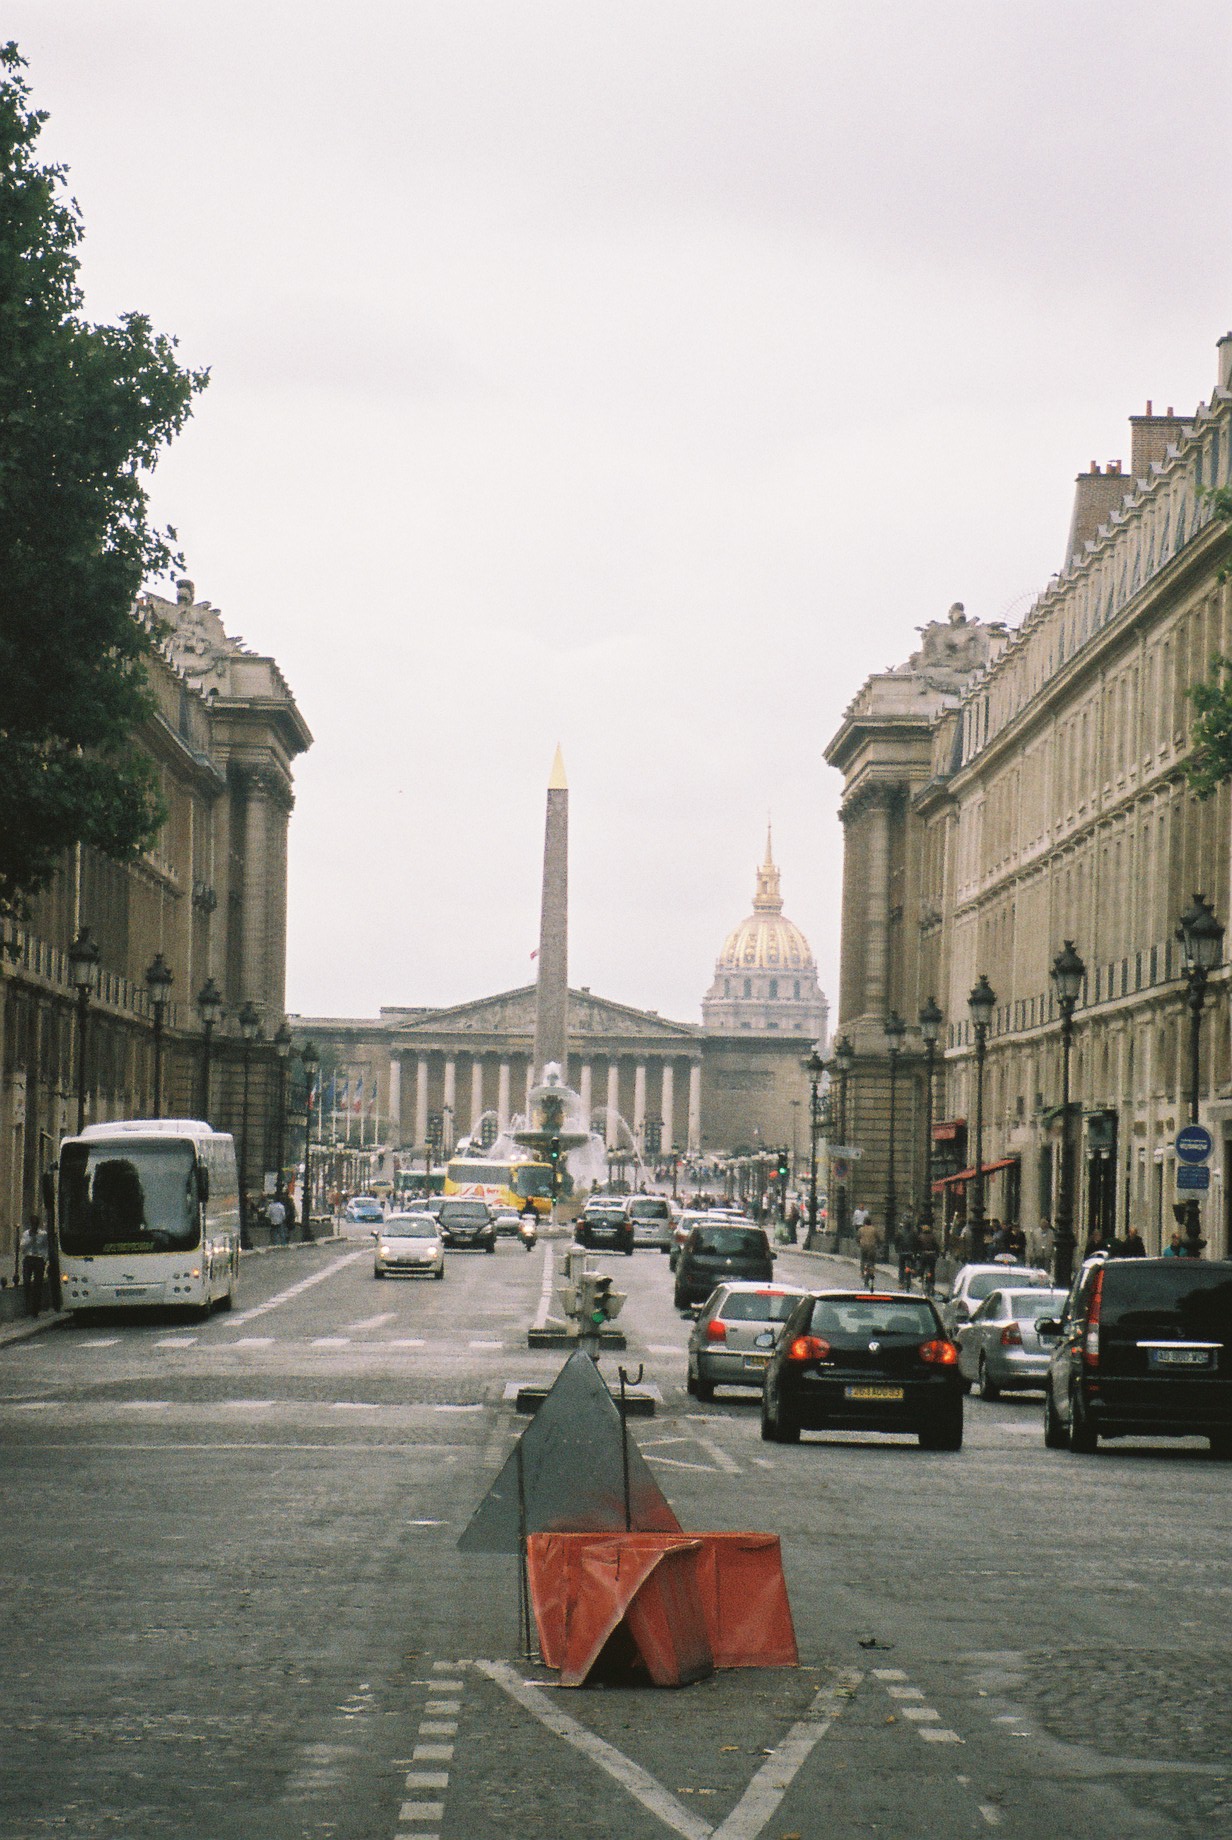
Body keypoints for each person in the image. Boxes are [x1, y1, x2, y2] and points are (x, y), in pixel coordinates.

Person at [20, 1213, 48, 1316]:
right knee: (27, 1282)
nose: (34, 1226)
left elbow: (46, 1247)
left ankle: (36, 1308)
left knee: (38, 1284)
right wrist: (31, 1239)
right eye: (33, 1224)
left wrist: (45, 1258)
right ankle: (27, 1305)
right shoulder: (26, 1234)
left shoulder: (43, 1234)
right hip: (29, 1258)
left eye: (35, 1224)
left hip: (39, 1259)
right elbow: (22, 1247)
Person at [857, 1213, 879, 1287]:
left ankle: (862, 1272)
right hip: (872, 1248)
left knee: (863, 1259)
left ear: (864, 1222)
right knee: (871, 1262)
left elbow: (857, 1238)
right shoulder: (874, 1229)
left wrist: (859, 1244)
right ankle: (871, 1272)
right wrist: (878, 1244)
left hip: (863, 1247)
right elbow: (878, 1238)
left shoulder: (861, 1229)